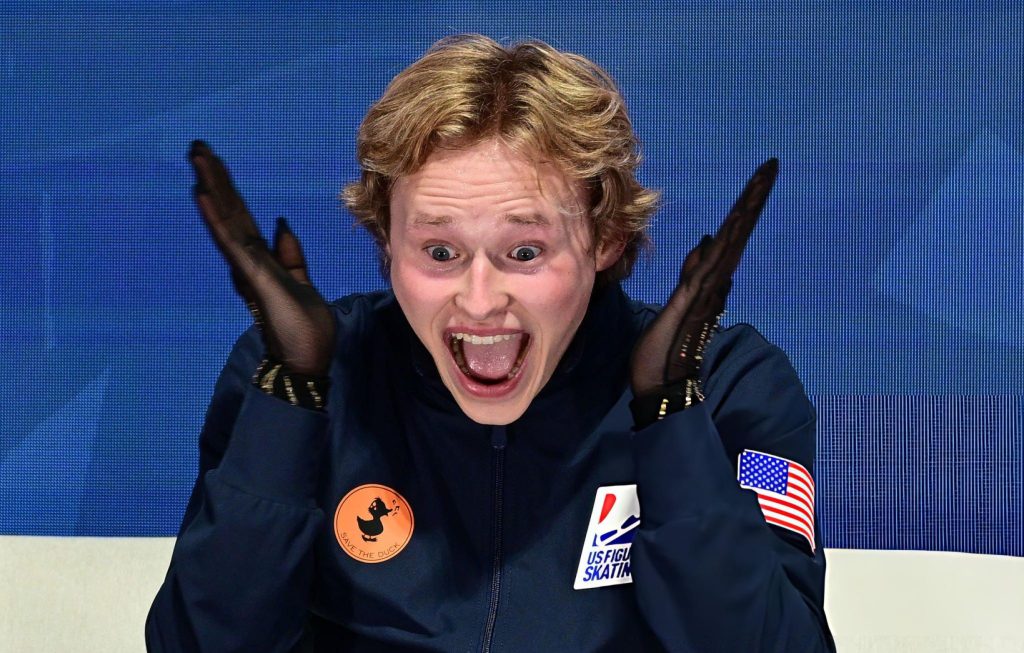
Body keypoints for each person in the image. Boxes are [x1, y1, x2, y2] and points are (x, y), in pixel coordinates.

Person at [147, 34, 836, 652]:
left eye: (525, 250)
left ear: (605, 238)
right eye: (439, 250)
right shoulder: (299, 380)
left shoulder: (729, 385)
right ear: (386, 241)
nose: (479, 300)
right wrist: (289, 401)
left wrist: (670, 418)